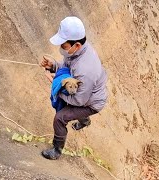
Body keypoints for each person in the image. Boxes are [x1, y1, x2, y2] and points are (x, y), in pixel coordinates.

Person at [40, 16, 108, 160]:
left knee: (60, 118)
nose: (61, 49)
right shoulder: (79, 51)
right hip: (86, 95)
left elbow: (78, 100)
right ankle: (84, 121)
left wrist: (57, 87)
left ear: (76, 45)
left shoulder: (85, 69)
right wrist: (54, 66)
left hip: (90, 102)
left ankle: (56, 150)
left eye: (64, 46)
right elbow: (68, 69)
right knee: (71, 108)